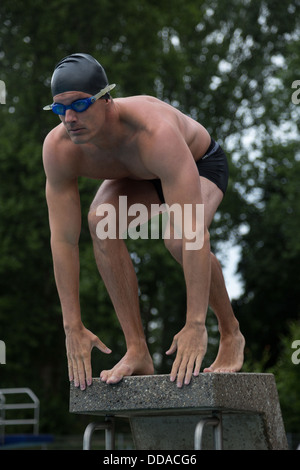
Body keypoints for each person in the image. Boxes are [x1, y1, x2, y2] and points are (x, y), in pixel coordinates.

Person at [42, 53, 245, 391]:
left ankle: (230, 332)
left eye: (79, 105)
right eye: (60, 109)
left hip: (197, 163)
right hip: (138, 175)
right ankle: (137, 349)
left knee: (178, 239)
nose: (69, 118)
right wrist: (72, 326)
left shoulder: (155, 133)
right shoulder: (59, 149)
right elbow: (63, 240)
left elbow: (192, 230)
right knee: (101, 222)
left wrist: (195, 323)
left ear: (106, 99)